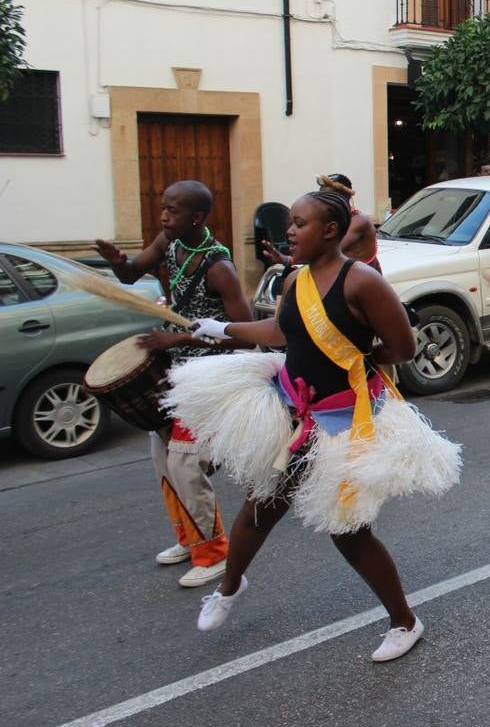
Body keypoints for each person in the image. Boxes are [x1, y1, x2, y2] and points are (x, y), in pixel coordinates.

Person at [170, 189, 461, 661]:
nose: (289, 230)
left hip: (342, 422)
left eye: (299, 223)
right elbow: (281, 333)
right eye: (289, 222)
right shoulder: (296, 280)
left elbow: (403, 347)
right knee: (259, 505)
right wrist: (220, 329)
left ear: (330, 230)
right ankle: (228, 586)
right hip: (291, 410)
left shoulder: (361, 281)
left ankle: (405, 622)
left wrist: (361, 365)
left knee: (349, 531)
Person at [93, 181, 254, 589]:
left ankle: (216, 554)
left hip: (207, 376)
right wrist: (117, 262)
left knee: (185, 461)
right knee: (161, 456)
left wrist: (179, 337)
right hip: (174, 369)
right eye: (162, 208)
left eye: (172, 210)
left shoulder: (220, 268)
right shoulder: (169, 241)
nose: (163, 216)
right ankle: (191, 539)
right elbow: (131, 274)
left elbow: (247, 335)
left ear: (196, 218)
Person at [262, 174, 380, 273]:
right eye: (321, 196)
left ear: (346, 197)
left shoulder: (359, 222)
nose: (323, 201)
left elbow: (324, 250)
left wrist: (287, 259)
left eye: (329, 196)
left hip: (358, 287)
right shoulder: (328, 222)